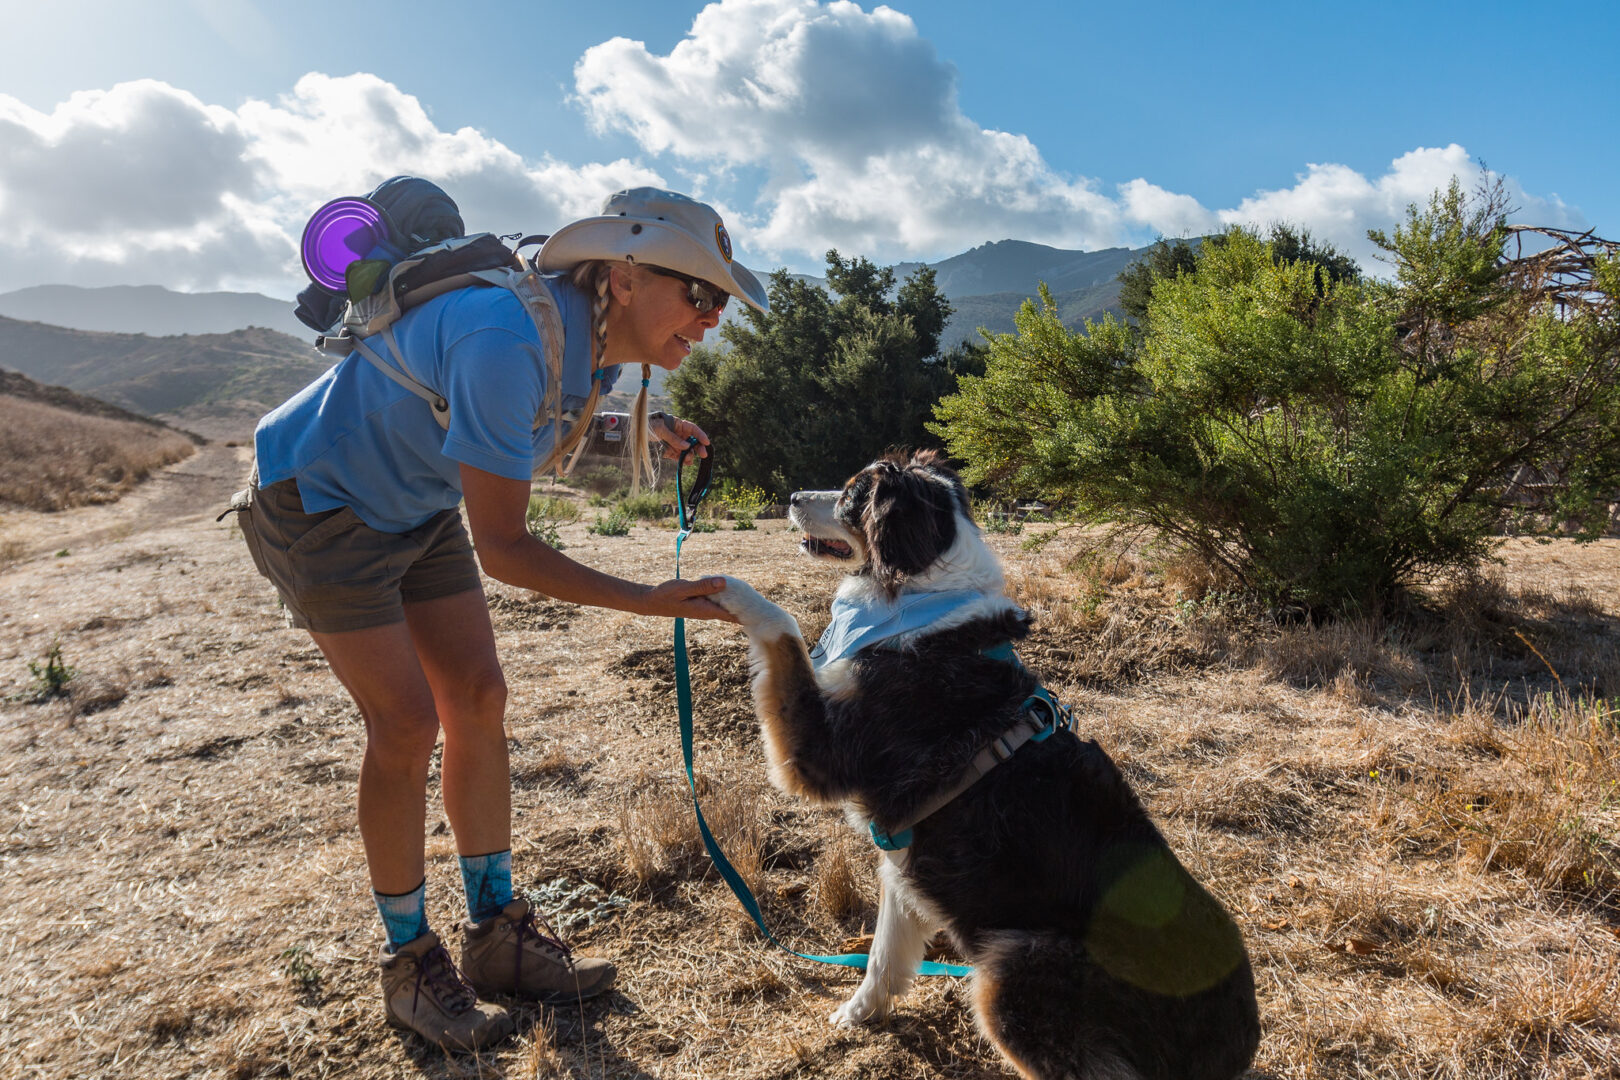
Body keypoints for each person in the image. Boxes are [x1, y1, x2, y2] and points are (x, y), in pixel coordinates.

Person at [235, 181, 769, 1050]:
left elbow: (522, 442)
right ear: (626, 277)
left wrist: (646, 429)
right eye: (699, 293)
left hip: (411, 504)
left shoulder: (582, 341)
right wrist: (647, 603)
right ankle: (409, 963)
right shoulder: (506, 336)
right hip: (317, 500)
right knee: (406, 724)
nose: (711, 317)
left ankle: (495, 935)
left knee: (479, 699)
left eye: (718, 300)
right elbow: (507, 549)